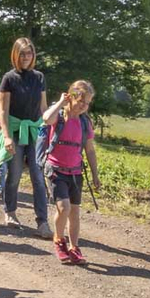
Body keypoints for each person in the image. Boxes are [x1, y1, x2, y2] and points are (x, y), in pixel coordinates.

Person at [0, 37, 53, 239]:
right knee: (15, 174)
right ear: (16, 54)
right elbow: (3, 111)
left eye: (29, 53)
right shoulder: (9, 78)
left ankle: (42, 221)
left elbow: (43, 108)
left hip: (35, 130)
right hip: (15, 129)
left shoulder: (39, 77)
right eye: (23, 53)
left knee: (38, 177)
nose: (26, 57)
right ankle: (10, 212)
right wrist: (6, 136)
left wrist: (50, 131)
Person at [42, 80, 102, 265]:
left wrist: (95, 174)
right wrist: (61, 102)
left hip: (76, 172)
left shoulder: (85, 122)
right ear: (72, 97)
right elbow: (46, 118)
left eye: (88, 103)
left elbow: (90, 150)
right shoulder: (59, 116)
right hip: (56, 170)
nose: (84, 106)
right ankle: (59, 241)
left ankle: (74, 248)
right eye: (81, 101)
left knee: (74, 212)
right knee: (64, 208)